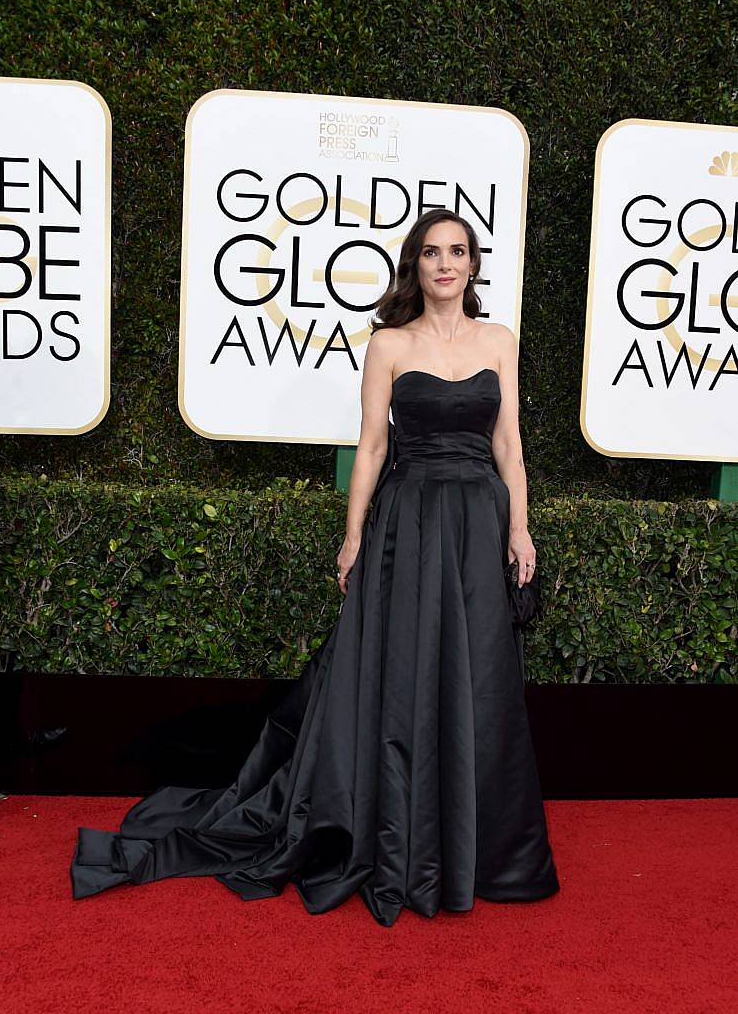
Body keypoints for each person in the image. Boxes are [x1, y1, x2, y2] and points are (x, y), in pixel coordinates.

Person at [70, 207, 560, 927]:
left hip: (478, 526)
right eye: (432, 253)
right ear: (415, 265)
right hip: (409, 522)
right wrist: (354, 536)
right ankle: (399, 835)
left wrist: (520, 529)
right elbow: (368, 448)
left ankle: (478, 846)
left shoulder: (499, 340)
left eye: (457, 252)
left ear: (473, 264)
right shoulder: (389, 345)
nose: (445, 264)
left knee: (477, 676)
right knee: (399, 676)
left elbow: (510, 446)